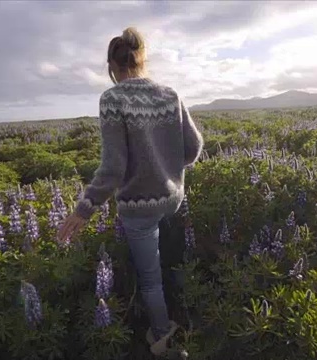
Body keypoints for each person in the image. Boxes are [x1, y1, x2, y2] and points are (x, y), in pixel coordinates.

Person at [57, 27, 204, 357]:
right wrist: (168, 169)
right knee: (174, 260)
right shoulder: (170, 94)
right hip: (173, 198)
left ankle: (163, 337)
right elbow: (194, 148)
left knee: (151, 280)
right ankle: (189, 313)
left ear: (112, 66)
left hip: (138, 208)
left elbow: (113, 168)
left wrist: (83, 210)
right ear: (141, 59)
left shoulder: (112, 100)